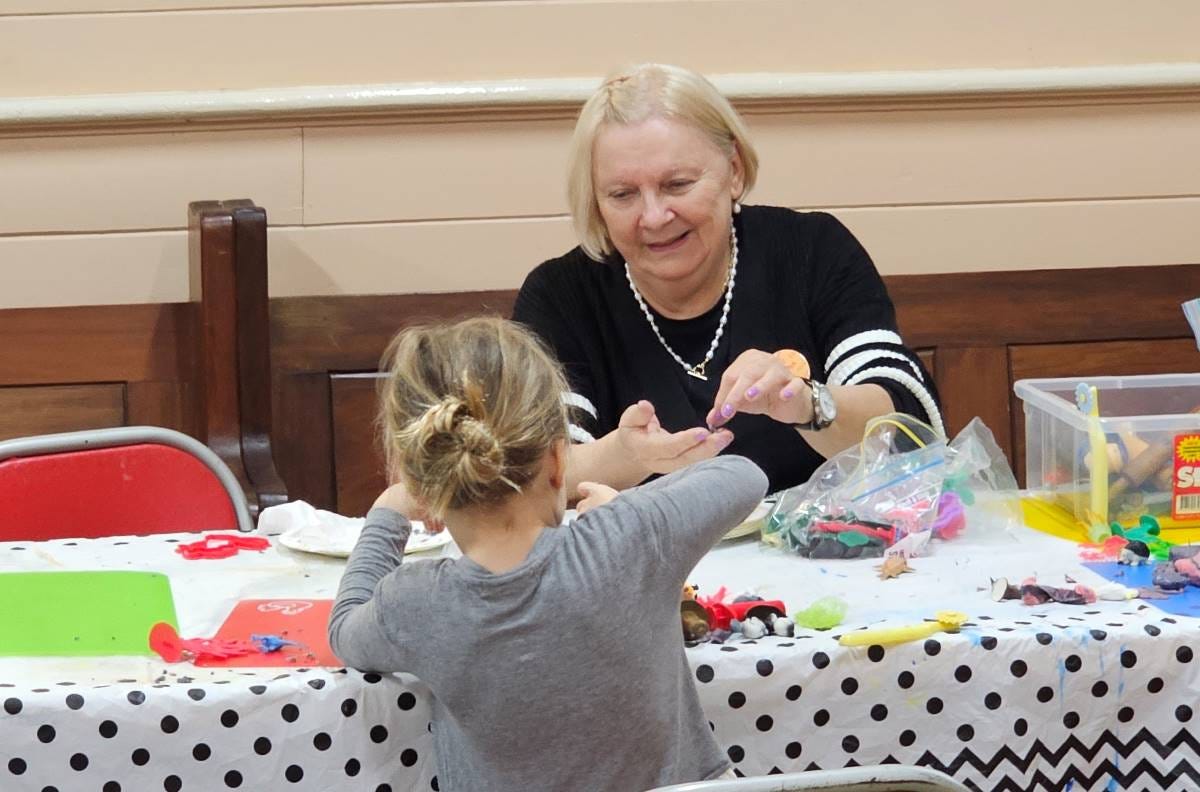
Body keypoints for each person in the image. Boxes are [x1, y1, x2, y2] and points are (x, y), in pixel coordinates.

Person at [327, 316, 768, 791]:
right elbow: (743, 476)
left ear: (426, 485)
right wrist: (624, 497)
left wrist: (388, 513)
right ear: (559, 460)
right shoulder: (626, 539)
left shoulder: (413, 603)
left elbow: (344, 629)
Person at [513, 63, 942, 495]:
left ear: (733, 171)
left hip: (824, 552)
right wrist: (628, 455)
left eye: (677, 184)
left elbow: (908, 428)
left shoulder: (810, 251)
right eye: (622, 195)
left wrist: (806, 403)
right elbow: (533, 473)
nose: (654, 216)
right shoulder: (560, 295)